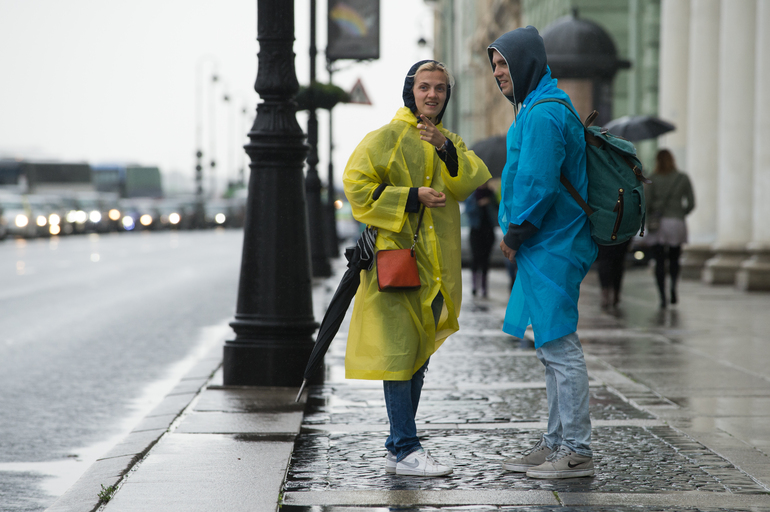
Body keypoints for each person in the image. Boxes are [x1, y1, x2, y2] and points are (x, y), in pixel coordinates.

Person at [342, 60, 491, 477]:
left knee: (418, 355)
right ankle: (407, 447)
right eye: (424, 86)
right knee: (400, 354)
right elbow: (355, 184)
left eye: (440, 88)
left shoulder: (450, 141)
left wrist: (444, 146)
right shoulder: (387, 137)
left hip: (436, 267)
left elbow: (469, 178)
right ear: (410, 91)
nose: (432, 95)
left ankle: (397, 445)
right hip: (397, 263)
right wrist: (410, 196)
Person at [489, 26, 598, 479]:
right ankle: (555, 442)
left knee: (560, 347)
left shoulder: (542, 113)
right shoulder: (539, 106)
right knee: (550, 349)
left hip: (552, 244)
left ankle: (576, 450)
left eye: (504, 64)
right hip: (549, 245)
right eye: (494, 65)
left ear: (526, 63)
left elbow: (537, 183)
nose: (498, 73)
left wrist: (515, 235)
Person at [645, 149, 695, 308]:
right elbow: (691, 203)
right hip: (676, 222)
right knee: (674, 258)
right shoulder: (682, 178)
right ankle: (673, 286)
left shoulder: (652, 179)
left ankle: (662, 297)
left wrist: (647, 220)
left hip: (658, 224)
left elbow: (646, 204)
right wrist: (681, 213)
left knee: (659, 261)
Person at [464, 181, 498, 297]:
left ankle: (484, 287)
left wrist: (489, 202)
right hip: (476, 231)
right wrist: (479, 204)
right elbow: (468, 211)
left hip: (488, 231)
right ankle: (475, 287)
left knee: (486, 260)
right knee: (475, 258)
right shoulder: (473, 195)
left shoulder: (491, 194)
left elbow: (497, 209)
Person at [597, 240, 631, 310]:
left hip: (606, 236)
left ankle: (607, 295)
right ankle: (613, 295)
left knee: (606, 262)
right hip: (619, 236)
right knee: (616, 264)